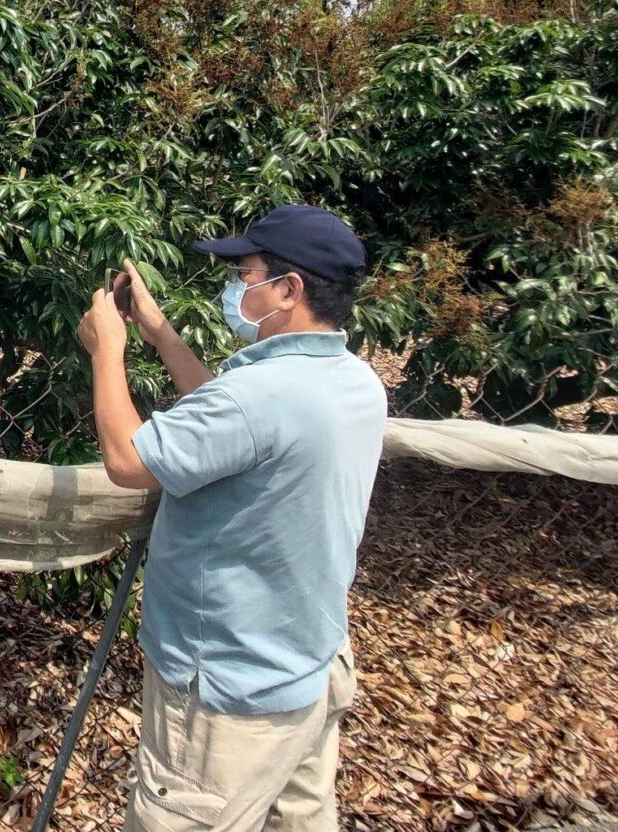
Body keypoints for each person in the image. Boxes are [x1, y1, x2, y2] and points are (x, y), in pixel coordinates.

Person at [78, 205, 387, 832]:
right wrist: (162, 336)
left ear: (289, 289)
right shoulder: (355, 382)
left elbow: (127, 460)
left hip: (227, 695)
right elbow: (231, 425)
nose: (236, 286)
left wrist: (106, 350)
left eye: (245, 273)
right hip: (308, 667)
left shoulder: (257, 398)